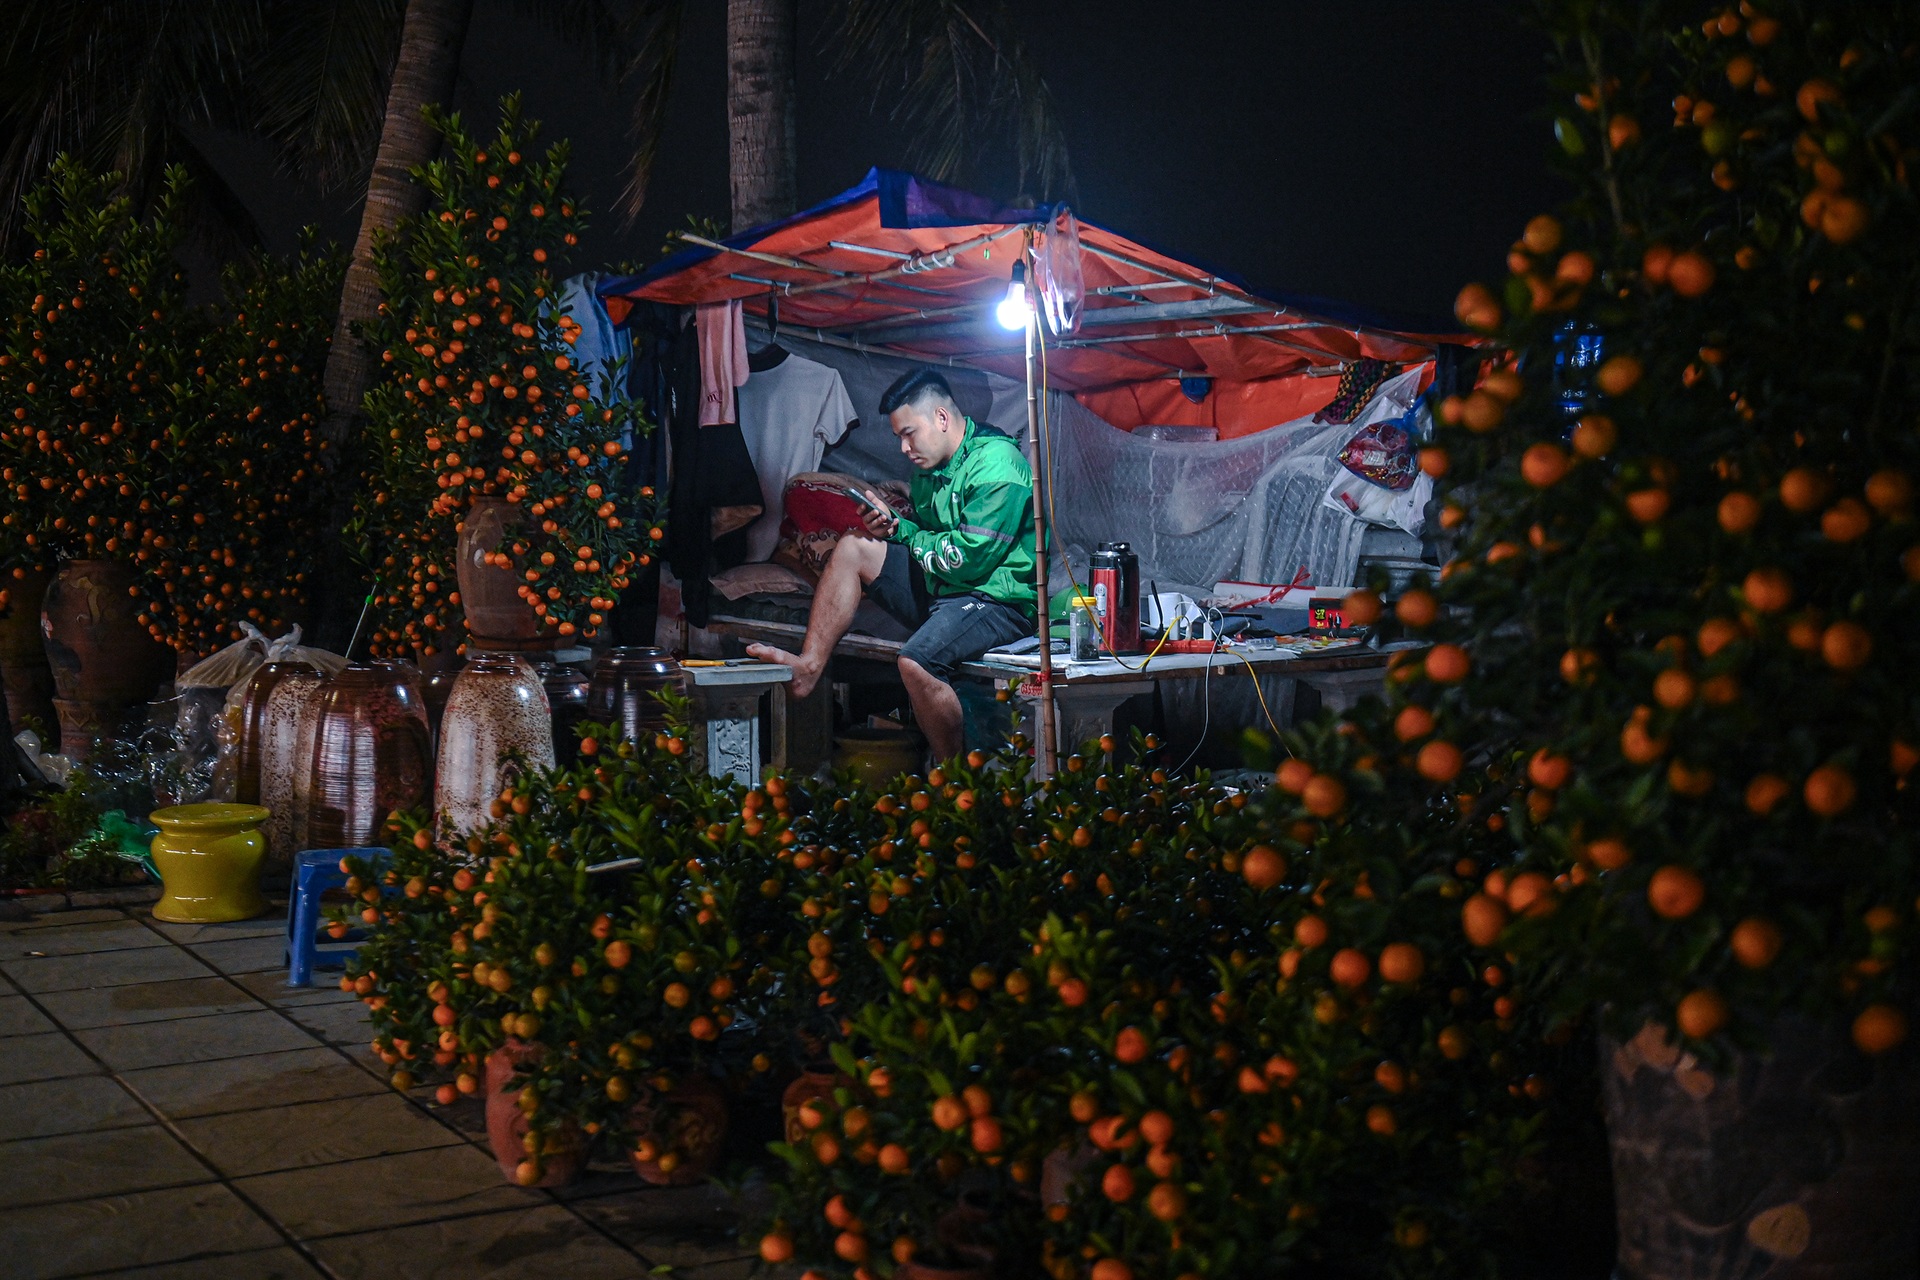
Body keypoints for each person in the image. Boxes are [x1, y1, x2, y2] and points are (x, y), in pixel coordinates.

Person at [747, 368, 1038, 764]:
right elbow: (929, 537)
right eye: (899, 436)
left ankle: (955, 782)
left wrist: (906, 534)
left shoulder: (998, 465)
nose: (903, 447)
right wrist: (890, 527)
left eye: (908, 433)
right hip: (946, 588)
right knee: (854, 546)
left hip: (996, 600)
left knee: (916, 663)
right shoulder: (928, 471)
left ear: (940, 417)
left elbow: (966, 559)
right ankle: (808, 667)